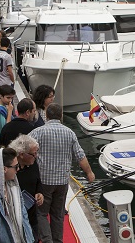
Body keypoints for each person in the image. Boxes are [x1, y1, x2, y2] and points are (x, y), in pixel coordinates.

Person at [30, 103, 95, 243]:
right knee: (58, 214)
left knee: (41, 213)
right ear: (61, 115)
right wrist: (89, 173)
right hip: (62, 181)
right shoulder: (69, 133)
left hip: (43, 181)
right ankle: (57, 240)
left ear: (46, 115)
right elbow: (80, 156)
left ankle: (47, 240)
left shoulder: (38, 132)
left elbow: (24, 146)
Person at [9, 135, 44, 242]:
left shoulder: (33, 164)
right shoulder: (10, 170)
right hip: (15, 217)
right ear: (22, 155)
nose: (36, 156)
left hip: (31, 215)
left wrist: (39, 193)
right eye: (33, 154)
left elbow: (38, 181)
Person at [0, 37, 14, 107]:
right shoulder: (7, 56)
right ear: (8, 45)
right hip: (6, 82)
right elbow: (10, 71)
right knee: (9, 103)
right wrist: (13, 81)